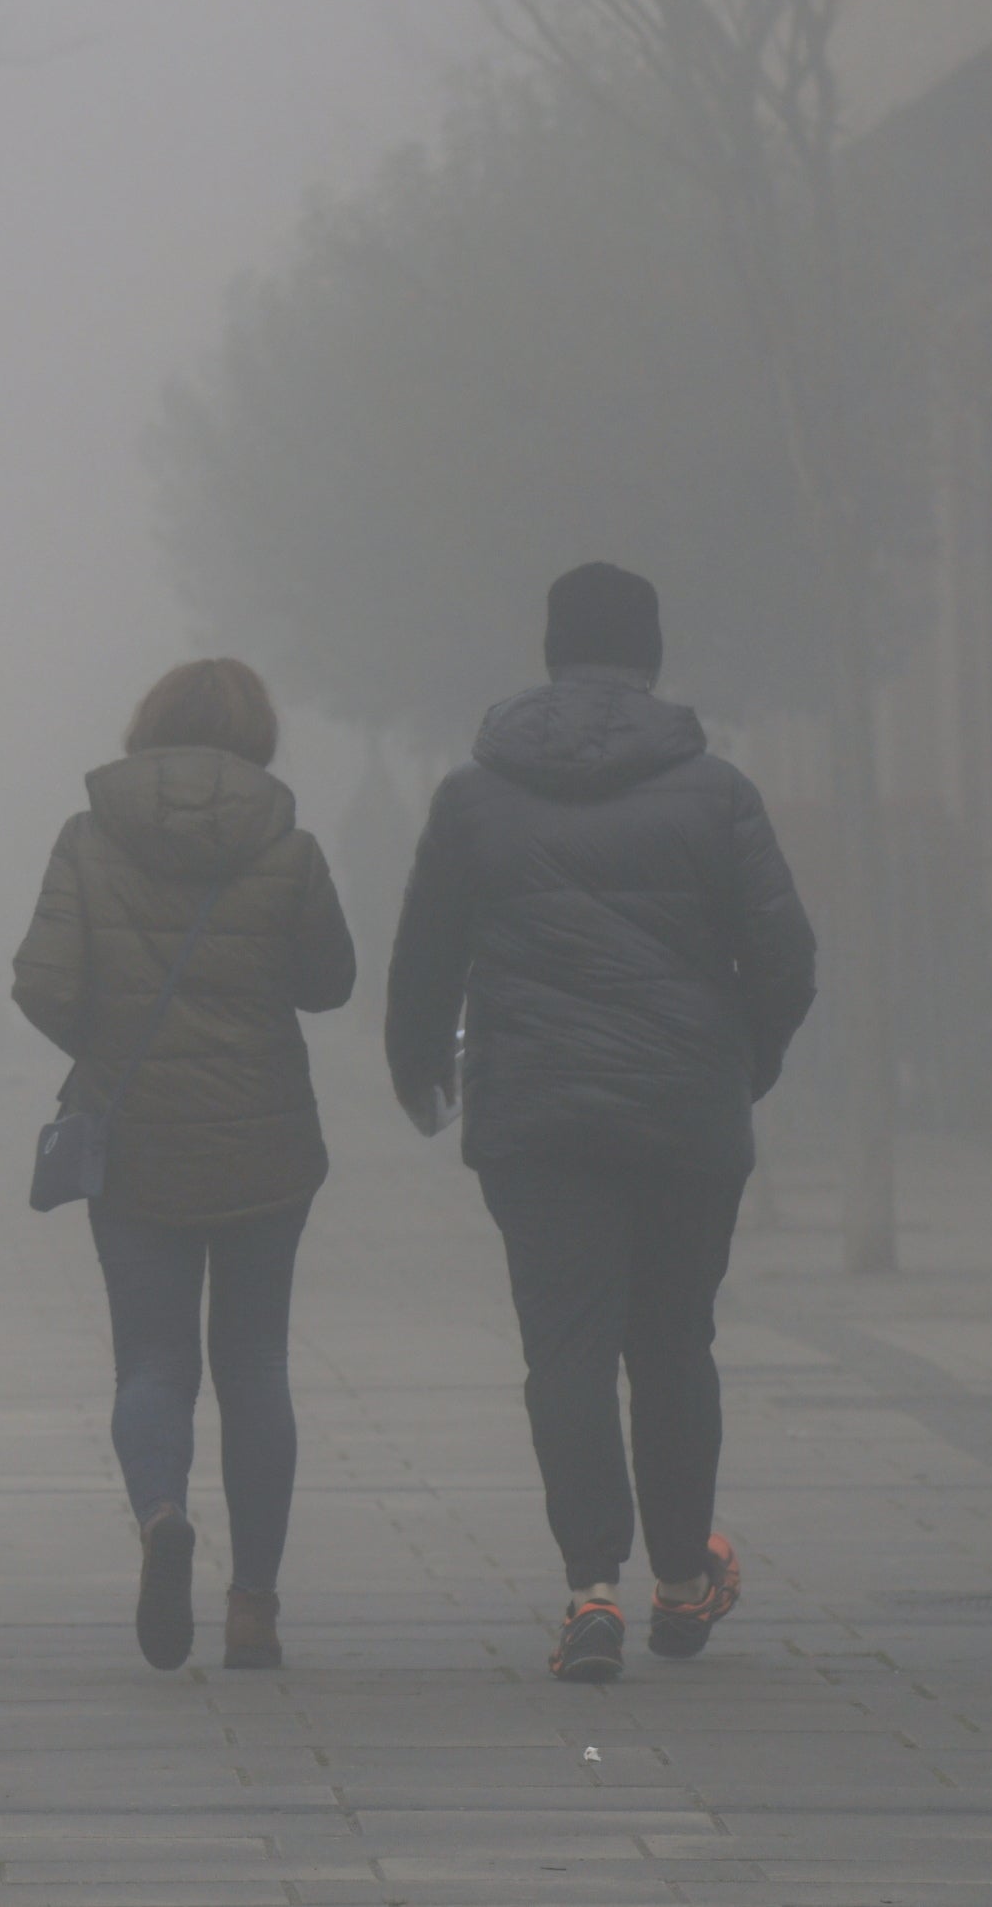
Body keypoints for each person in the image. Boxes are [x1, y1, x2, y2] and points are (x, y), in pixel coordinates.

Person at [386, 563, 815, 1684]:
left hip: (534, 1116)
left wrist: (420, 1072)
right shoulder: (714, 792)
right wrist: (741, 1061)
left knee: (564, 1344)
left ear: (547, 653)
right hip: (684, 1109)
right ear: (652, 656)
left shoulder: (473, 796)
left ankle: (589, 1590)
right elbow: (784, 955)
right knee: (672, 1340)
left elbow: (422, 956)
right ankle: (682, 1577)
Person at [13, 658, 354, 1672]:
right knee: (254, 1367)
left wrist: (105, 1043)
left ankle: (160, 1510)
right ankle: (252, 1606)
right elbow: (329, 981)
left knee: (153, 1360)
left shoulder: (87, 836)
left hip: (135, 1139)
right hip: (263, 1141)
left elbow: (41, 981)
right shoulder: (285, 846)